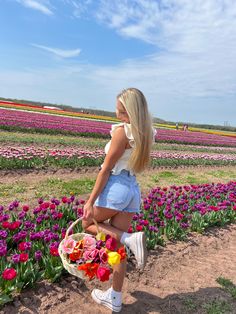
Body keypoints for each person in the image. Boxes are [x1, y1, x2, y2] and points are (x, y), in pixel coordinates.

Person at [82, 88, 156, 312]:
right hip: (132, 188)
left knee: (87, 224)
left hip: (116, 187)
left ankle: (129, 238)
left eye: (120, 110)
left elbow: (105, 170)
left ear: (128, 110)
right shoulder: (148, 132)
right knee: (115, 245)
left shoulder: (122, 132)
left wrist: (89, 200)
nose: (116, 113)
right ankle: (114, 297)